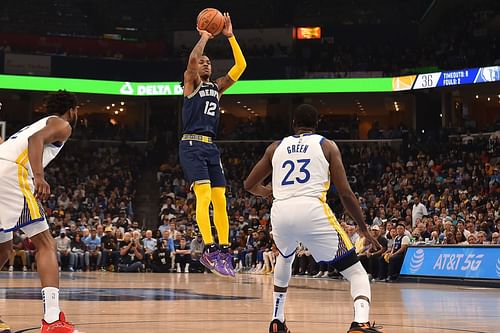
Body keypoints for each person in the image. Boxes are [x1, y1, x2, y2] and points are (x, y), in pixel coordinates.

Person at [244, 104, 384, 333]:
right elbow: (346, 193)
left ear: (293, 125)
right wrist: (363, 229)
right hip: (312, 208)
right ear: (317, 124)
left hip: (280, 210)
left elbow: (249, 185)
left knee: (285, 258)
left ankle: (277, 320)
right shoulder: (327, 145)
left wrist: (268, 192)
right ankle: (360, 322)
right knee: (356, 271)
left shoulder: (275, 147)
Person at [0, 90, 78, 332]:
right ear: (72, 110)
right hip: (12, 174)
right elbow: (36, 141)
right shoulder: (62, 124)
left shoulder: (36, 123)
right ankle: (53, 319)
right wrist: (39, 176)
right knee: (46, 244)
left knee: (4, 248)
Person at [178, 12, 246, 278]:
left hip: (210, 146)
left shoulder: (217, 87)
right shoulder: (191, 83)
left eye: (208, 62)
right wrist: (205, 36)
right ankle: (209, 248)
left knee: (220, 200)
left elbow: (240, 66)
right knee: (204, 196)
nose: (205, 63)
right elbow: (193, 59)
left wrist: (230, 37)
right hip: (191, 144)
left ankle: (224, 251)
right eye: (202, 61)